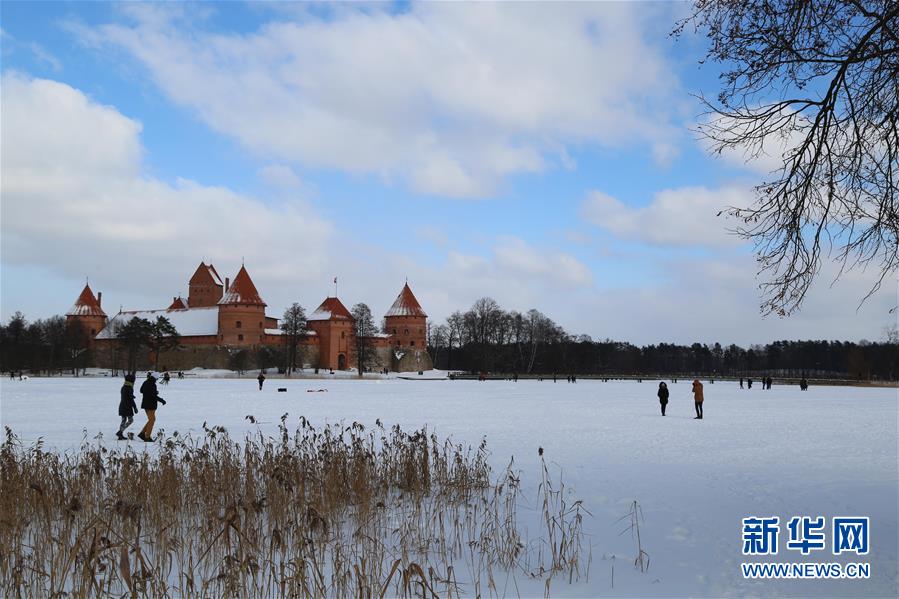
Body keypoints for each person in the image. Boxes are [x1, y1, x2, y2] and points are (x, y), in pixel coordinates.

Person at [138, 372, 166, 442]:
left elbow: (141, 391)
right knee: (152, 420)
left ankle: (142, 433)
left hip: (145, 404)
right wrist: (162, 400)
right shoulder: (152, 384)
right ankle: (147, 437)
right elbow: (153, 396)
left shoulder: (146, 382)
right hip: (150, 405)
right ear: (155, 378)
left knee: (151, 420)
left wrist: (152, 392)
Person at [116, 373, 138, 440]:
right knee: (130, 420)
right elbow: (130, 398)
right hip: (127, 406)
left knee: (123, 420)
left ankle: (120, 435)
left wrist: (131, 396)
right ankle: (120, 432)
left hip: (122, 405)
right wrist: (135, 407)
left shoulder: (124, 386)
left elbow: (126, 395)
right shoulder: (129, 387)